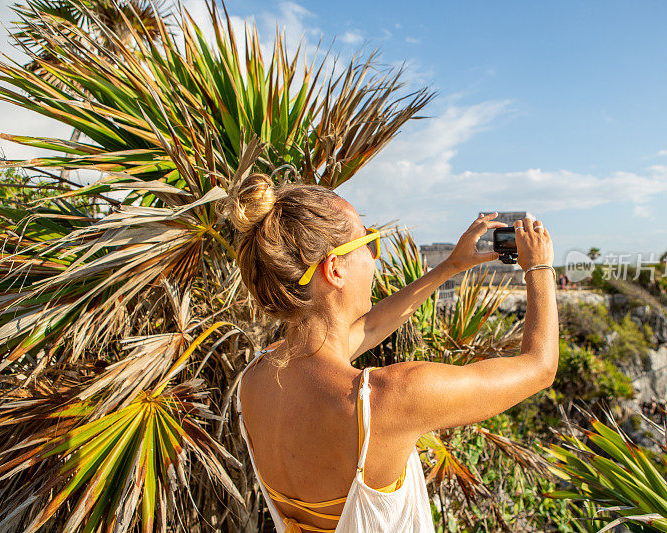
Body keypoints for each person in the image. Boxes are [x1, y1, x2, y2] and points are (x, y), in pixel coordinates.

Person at [225, 175, 559, 532]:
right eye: (369, 243)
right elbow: (539, 367)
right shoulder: (388, 400)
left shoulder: (255, 379)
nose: (373, 256)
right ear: (334, 269)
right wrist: (539, 267)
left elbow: (368, 328)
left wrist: (450, 267)